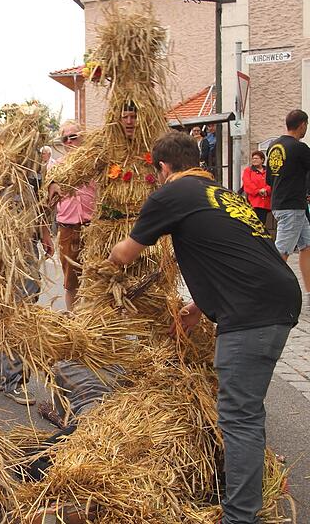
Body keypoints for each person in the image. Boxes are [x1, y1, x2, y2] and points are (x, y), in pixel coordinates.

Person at [108, 130, 299, 524]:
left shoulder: (170, 194)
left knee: (240, 416)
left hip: (252, 311)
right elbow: (232, 251)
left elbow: (124, 255)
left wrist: (104, 256)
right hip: (277, 294)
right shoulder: (221, 192)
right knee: (244, 409)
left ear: (163, 167)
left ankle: (240, 516)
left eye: (157, 170)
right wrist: (199, 305)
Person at [47, 121, 97, 311]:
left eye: (73, 137)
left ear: (82, 137)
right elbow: (47, 202)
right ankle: (73, 322)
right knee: (71, 282)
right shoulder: (55, 168)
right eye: (64, 138)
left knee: (95, 280)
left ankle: (92, 322)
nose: (69, 142)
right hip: (67, 229)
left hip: (93, 227)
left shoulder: (93, 164)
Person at [266, 109, 310, 295]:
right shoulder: (300, 148)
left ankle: (309, 289)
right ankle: (264, 291)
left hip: (280, 202)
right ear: (302, 124)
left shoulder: (274, 146)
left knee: (307, 245)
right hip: (292, 206)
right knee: (281, 252)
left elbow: (269, 179)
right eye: (306, 125)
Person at [242, 150, 271, 225]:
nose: (254, 160)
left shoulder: (268, 171)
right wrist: (258, 191)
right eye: (253, 158)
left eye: (256, 158)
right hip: (253, 202)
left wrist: (266, 189)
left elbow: (272, 182)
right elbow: (247, 183)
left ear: (262, 160)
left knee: (263, 223)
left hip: (266, 202)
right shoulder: (248, 171)